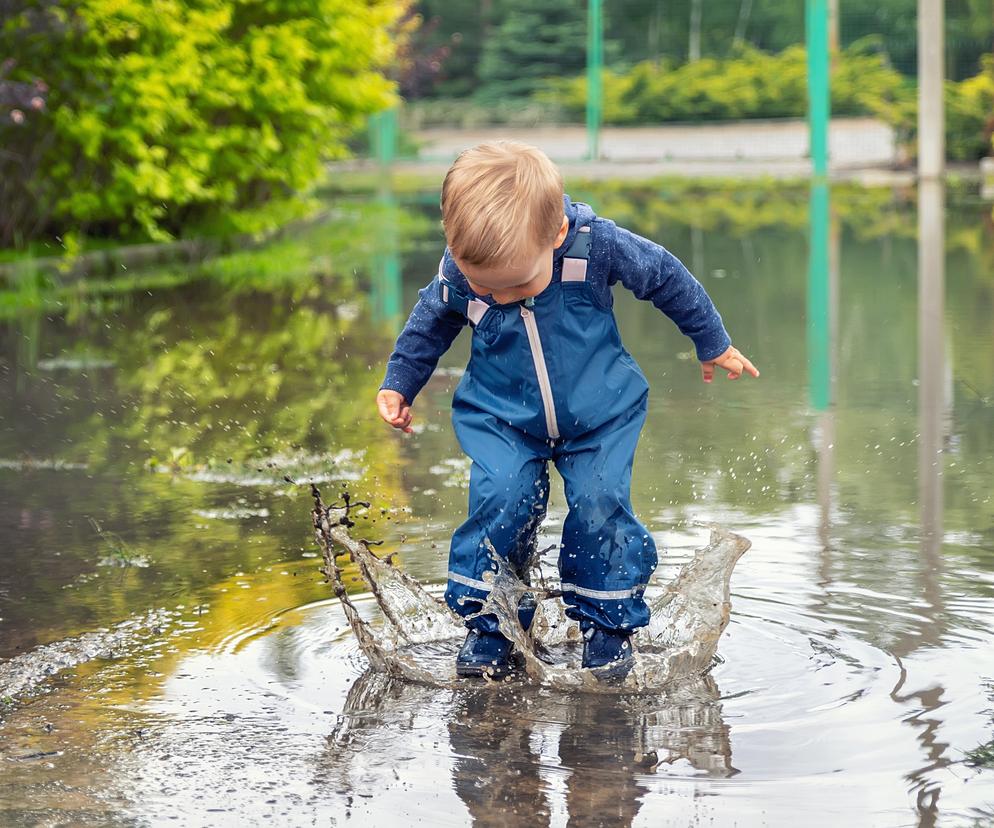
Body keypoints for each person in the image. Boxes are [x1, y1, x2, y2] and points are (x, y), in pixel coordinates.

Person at [376, 140, 758, 680]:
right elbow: (429, 324)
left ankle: (606, 626)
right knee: (500, 502)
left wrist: (711, 341)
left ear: (555, 237)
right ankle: (492, 625)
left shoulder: (594, 248)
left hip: (601, 414)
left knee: (601, 503)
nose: (500, 298)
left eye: (516, 285)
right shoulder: (461, 272)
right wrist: (400, 383)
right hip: (501, 417)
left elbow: (667, 277)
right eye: (487, 288)